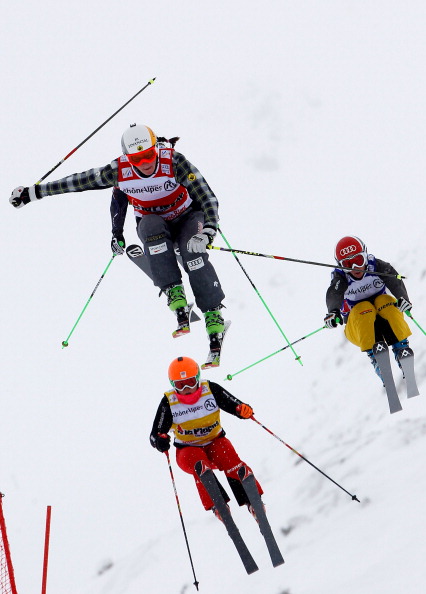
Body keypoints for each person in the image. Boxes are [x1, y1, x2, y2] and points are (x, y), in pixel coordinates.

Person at [9, 124, 226, 349]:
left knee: (193, 254)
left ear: (156, 149)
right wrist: (33, 193)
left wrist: (209, 229)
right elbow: (77, 182)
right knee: (149, 226)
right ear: (127, 158)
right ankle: (174, 291)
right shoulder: (118, 171)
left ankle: (213, 312)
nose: (145, 163)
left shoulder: (174, 161)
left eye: (149, 155)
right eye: (137, 159)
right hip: (153, 222)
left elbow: (207, 196)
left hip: (187, 216)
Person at [150, 356, 264, 521]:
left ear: (198, 378)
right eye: (181, 385)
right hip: (187, 450)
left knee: (228, 457)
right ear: (173, 385)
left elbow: (235, 405)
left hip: (215, 442)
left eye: (190, 382)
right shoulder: (169, 402)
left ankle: (252, 501)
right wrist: (160, 440)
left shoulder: (210, 389)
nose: (187, 389)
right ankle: (219, 505)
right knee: (199, 464)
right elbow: (154, 435)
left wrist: (243, 410)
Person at [324, 235, 413, 382]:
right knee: (363, 307)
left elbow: (394, 279)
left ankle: (401, 349)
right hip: (359, 329)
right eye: (347, 264)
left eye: (358, 260)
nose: (354, 267)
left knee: (386, 300)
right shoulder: (341, 278)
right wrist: (333, 312)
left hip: (385, 323)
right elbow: (334, 292)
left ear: (365, 255)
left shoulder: (378, 266)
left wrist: (403, 298)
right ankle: (376, 358)